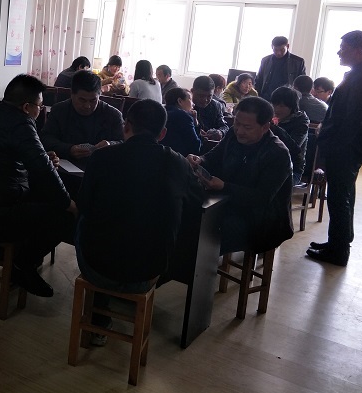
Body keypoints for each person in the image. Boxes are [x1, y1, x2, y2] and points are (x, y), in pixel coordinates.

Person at [75, 99, 203, 343]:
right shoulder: (178, 163)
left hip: (98, 268)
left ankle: (98, 318)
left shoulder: (102, 158)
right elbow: (196, 203)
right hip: (149, 270)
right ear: (162, 133)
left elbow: (84, 204)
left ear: (126, 126)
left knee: (86, 221)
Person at [0, 74, 75, 297]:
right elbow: (43, 171)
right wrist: (68, 203)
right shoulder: (21, 123)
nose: (41, 111)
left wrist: (43, 157)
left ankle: (10, 255)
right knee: (64, 216)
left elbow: (23, 157)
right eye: (40, 106)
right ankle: (22, 264)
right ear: (27, 107)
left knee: (46, 199)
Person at [308, 30, 362, 266]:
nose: (339, 52)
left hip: (345, 150)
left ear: (358, 51)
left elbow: (352, 122)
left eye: (343, 48)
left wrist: (333, 146)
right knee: (344, 195)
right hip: (346, 149)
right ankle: (338, 243)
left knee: (339, 198)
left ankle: (338, 251)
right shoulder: (360, 74)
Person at [187, 96, 293, 255]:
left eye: (247, 127)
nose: (239, 131)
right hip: (227, 203)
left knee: (205, 235)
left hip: (261, 219)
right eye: (237, 123)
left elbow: (261, 198)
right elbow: (214, 157)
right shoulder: (233, 133)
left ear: (265, 127)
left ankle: (198, 265)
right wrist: (200, 160)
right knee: (185, 216)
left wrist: (224, 186)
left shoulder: (278, 153)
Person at [40, 70, 124, 170]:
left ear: (99, 95)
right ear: (72, 94)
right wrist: (69, 149)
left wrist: (110, 145)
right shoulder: (59, 110)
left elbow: (125, 143)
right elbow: (45, 139)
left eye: (93, 100)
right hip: (64, 167)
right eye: (82, 100)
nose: (87, 106)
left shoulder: (113, 115)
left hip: (101, 169)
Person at [269, 86, 309, 183]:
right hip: (266, 165)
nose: (276, 109)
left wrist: (274, 128)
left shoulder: (301, 122)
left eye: (281, 106)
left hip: (291, 170)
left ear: (292, 107)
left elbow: (293, 148)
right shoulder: (269, 117)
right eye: (274, 104)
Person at [254, 36, 307, 101]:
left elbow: (302, 83)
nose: (278, 53)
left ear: (287, 46)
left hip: (288, 98)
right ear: (272, 47)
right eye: (275, 50)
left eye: (282, 50)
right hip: (266, 97)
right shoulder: (265, 60)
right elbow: (259, 79)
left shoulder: (298, 62)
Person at [161, 87, 201, 156]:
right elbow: (196, 146)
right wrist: (196, 124)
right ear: (180, 101)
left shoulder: (161, 112)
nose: (193, 104)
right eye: (190, 99)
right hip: (178, 158)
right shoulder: (183, 116)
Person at [191, 75, 229, 141]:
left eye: (209, 96)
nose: (205, 100)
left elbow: (224, 126)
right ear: (192, 91)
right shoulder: (185, 105)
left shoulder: (216, 105)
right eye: (201, 96)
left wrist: (220, 132)